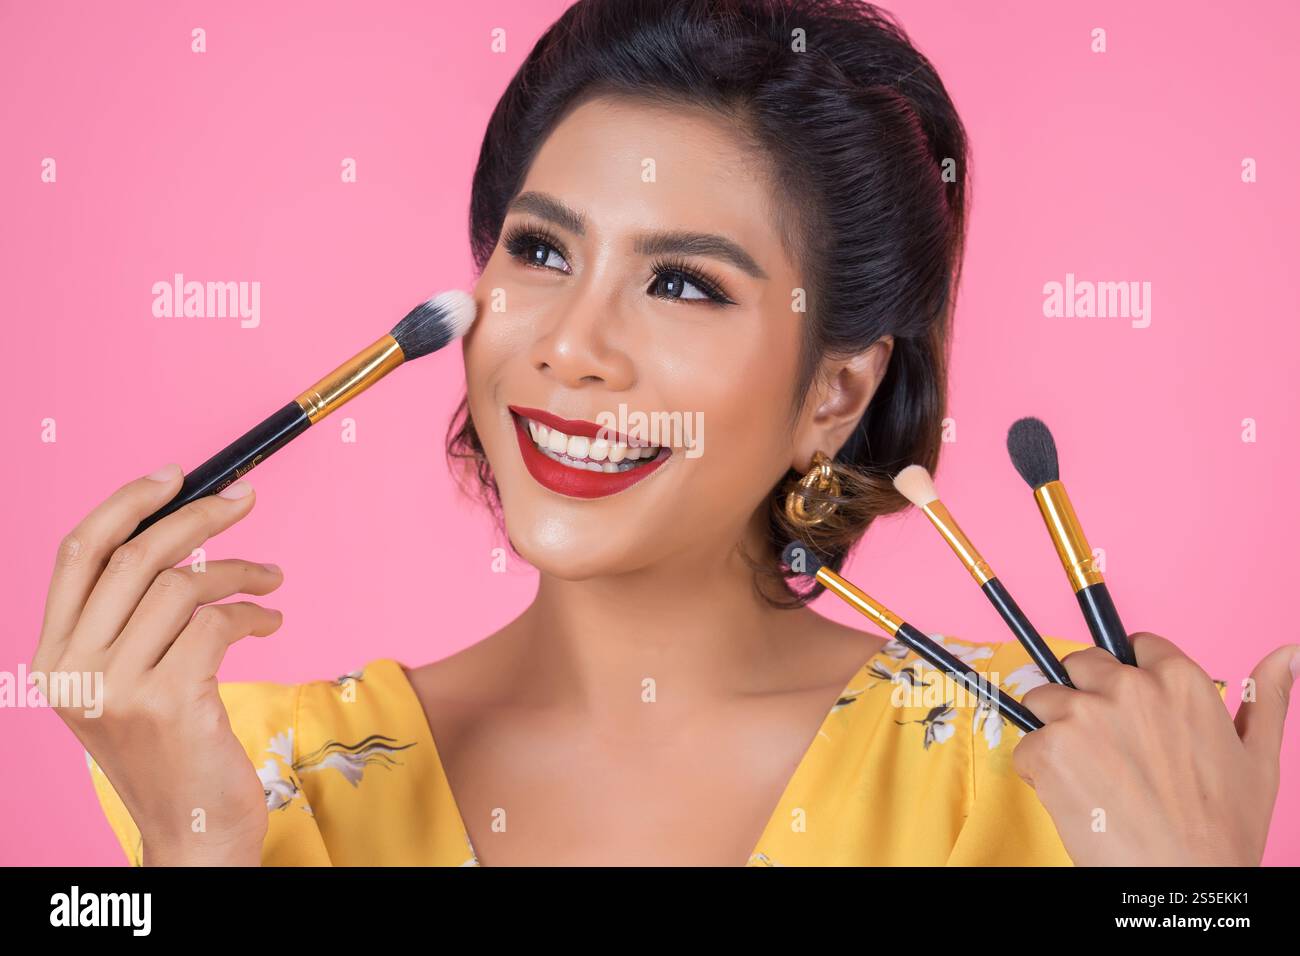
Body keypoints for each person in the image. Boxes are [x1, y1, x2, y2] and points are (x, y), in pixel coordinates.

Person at [36, 0, 1293, 866]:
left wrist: (1187, 892)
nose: (569, 345)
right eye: (539, 250)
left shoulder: (1051, 759)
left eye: (683, 281)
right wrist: (194, 848)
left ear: (835, 394)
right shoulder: (245, 769)